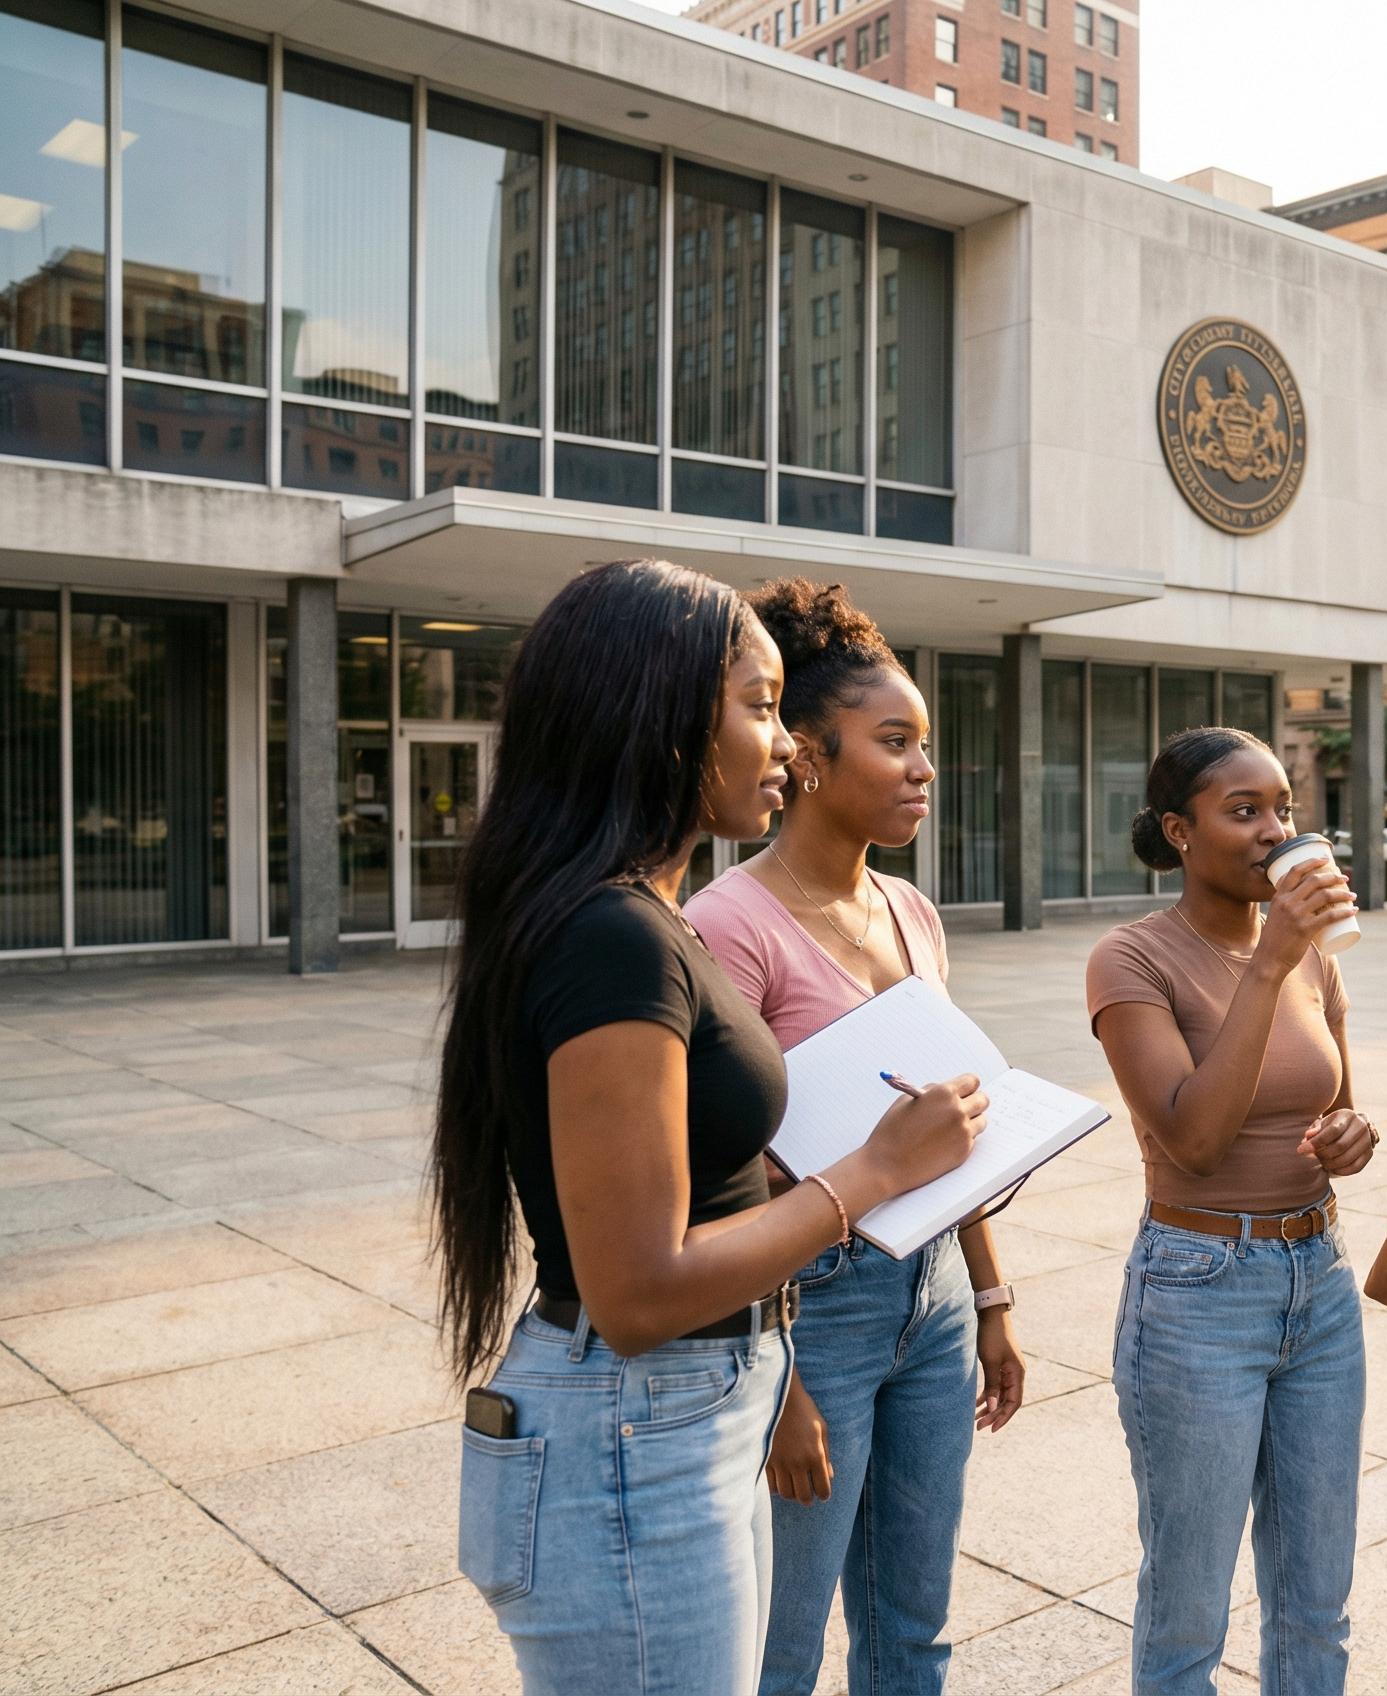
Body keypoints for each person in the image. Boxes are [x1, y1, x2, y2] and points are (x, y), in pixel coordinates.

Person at [432, 558, 989, 1696]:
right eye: (756, 705)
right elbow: (636, 1293)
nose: (784, 742)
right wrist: (872, 1171)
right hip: (635, 1427)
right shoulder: (614, 937)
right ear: (662, 716)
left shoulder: (643, 917)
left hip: (676, 1414)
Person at [684, 580, 1025, 1696]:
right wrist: (777, 1385)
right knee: (780, 1646)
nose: (924, 766)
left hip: (926, 1302)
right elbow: (715, 1182)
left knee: (910, 1626)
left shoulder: (913, 912)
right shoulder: (728, 928)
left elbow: (944, 1135)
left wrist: (986, 1301)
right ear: (810, 757)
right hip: (806, 1312)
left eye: (925, 742)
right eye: (894, 741)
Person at [1085, 728, 1379, 1696]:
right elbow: (1193, 1140)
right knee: (1187, 1608)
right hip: (1197, 1290)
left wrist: (1347, 1132)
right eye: (1241, 811)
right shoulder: (1132, 958)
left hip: (1318, 1283)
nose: (1273, 832)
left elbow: (1331, 1102)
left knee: (1315, 1597)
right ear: (1178, 830)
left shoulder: (1312, 959)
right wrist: (1268, 962)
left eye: (1281, 808)